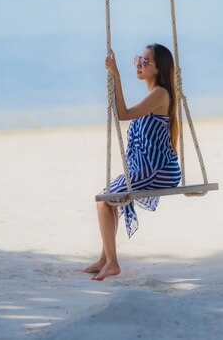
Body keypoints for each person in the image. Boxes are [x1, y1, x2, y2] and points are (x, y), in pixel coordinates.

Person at [83, 43, 181, 281]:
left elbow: (124, 114)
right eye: (139, 59)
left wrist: (116, 75)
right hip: (148, 167)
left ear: (158, 69)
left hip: (158, 168)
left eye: (146, 62)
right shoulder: (153, 94)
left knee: (104, 201)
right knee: (108, 197)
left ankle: (112, 263)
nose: (139, 64)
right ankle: (105, 258)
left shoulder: (160, 94)